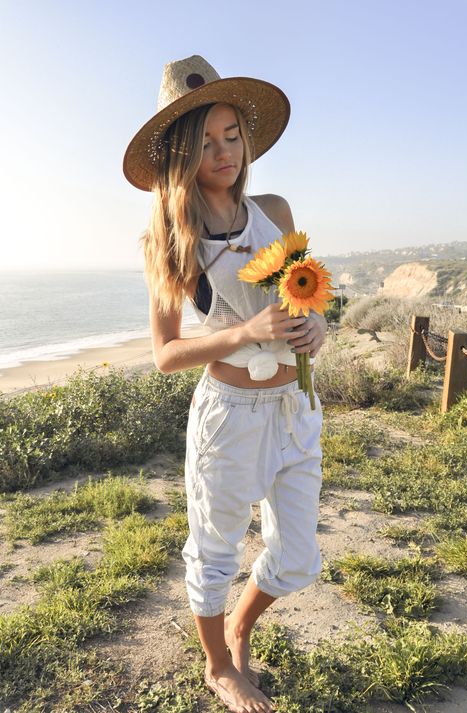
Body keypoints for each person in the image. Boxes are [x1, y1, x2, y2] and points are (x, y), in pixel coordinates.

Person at [123, 55, 327, 713]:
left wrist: (315, 325)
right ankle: (220, 666)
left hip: (294, 404)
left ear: (246, 134)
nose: (223, 152)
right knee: (212, 553)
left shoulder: (275, 208)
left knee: (296, 553)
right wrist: (243, 334)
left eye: (231, 135)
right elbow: (166, 353)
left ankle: (241, 624)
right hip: (229, 412)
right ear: (182, 148)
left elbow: (304, 296)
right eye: (206, 140)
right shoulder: (169, 234)